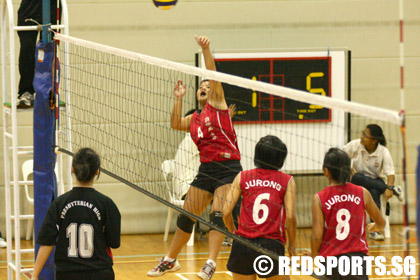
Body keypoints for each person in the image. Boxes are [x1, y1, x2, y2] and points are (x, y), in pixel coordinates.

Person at [148, 35, 242, 280]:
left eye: (207, 86)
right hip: (206, 169)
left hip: (228, 168)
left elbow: (213, 74)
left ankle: (210, 263)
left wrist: (206, 49)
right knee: (187, 215)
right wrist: (178, 98)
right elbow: (175, 123)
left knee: (218, 216)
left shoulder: (218, 104)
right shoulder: (195, 119)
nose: (204, 87)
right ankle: (170, 260)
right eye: (201, 86)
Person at [31, 148, 121, 280]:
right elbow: (114, 243)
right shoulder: (107, 204)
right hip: (99, 273)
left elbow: (47, 242)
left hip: (67, 274)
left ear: (72, 169)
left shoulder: (59, 204)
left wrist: (35, 275)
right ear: (97, 171)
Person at [222, 135, 297, 280]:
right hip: (271, 245)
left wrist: (233, 235)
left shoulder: (242, 176)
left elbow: (225, 212)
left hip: (243, 244)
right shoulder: (287, 181)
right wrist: (292, 245)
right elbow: (290, 217)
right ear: (280, 158)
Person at [310, 148, 385, 279]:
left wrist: (314, 255)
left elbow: (317, 235)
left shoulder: (319, 198)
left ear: (326, 171)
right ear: (350, 170)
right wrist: (374, 227)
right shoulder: (363, 192)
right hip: (358, 261)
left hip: (331, 261)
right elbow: (381, 223)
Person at [343, 124, 403, 241]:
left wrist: (389, 186)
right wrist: (347, 168)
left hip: (375, 181)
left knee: (374, 192)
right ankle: (394, 189)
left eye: (365, 135)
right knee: (357, 177)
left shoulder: (383, 151)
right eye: (362, 133)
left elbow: (390, 173)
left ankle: (375, 230)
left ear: (374, 140)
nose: (361, 137)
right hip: (357, 180)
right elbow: (341, 155)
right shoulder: (355, 145)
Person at [17, 0, 59, 108]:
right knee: (27, 48)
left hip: (51, 6)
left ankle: (47, 91)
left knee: (48, 50)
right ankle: (26, 92)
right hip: (29, 7)